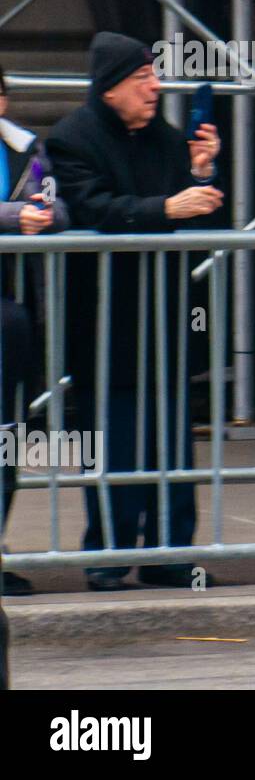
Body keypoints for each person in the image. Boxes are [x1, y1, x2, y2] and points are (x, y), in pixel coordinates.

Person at [46, 32, 222, 591]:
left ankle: (170, 549)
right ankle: (108, 550)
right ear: (110, 87)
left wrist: (198, 174)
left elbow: (197, 217)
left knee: (170, 431)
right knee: (113, 432)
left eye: (154, 75)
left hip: (165, 311)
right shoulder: (72, 139)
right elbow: (92, 207)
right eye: (142, 77)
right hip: (106, 315)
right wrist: (166, 205)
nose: (156, 86)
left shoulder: (166, 139)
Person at [0, 63, 70, 597]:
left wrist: (44, 214)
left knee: (6, 437)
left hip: (10, 313)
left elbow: (58, 205)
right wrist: (13, 217)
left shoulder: (25, 150)